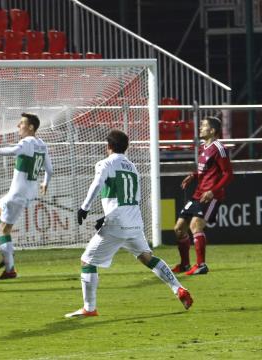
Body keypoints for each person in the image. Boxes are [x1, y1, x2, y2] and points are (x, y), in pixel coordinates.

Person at [65, 130, 193, 318]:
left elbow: (97, 183)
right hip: (134, 221)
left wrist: (85, 207)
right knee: (147, 257)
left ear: (108, 146)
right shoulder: (132, 168)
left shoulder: (105, 163)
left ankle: (89, 308)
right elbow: (133, 198)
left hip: (117, 222)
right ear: (126, 147)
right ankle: (179, 289)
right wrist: (107, 216)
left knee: (87, 261)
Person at [0, 113, 53, 279]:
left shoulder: (27, 142)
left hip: (18, 194)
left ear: (31, 127)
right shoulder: (42, 144)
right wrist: (45, 183)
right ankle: (8, 252)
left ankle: (10, 268)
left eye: (22, 123)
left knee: (5, 230)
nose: (18, 126)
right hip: (24, 192)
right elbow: (50, 170)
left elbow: (13, 151)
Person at [172, 116, 233, 275]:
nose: (200, 128)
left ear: (212, 130)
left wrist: (213, 191)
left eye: (203, 126)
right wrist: (193, 175)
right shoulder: (203, 147)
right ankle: (185, 264)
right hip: (198, 193)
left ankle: (201, 265)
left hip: (211, 195)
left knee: (195, 225)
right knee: (179, 228)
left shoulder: (220, 148)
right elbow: (206, 171)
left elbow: (228, 174)